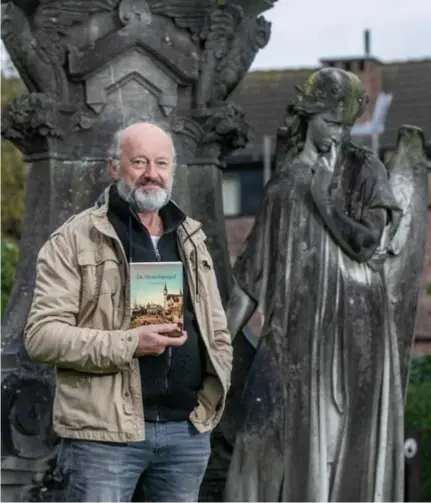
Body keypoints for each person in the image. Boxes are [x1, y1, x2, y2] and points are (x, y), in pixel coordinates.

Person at [24, 122, 233, 502]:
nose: (152, 173)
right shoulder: (74, 239)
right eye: (139, 161)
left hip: (185, 433)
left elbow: (216, 328)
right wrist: (129, 344)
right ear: (114, 167)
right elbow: (41, 337)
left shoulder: (190, 237)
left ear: (172, 171)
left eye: (161, 163)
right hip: (104, 439)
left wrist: (209, 397)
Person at [224, 68, 403, 502]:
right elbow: (252, 275)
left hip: (351, 336)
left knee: (337, 449)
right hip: (290, 336)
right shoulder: (282, 184)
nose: (339, 132)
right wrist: (218, 341)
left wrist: (324, 196)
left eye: (345, 123)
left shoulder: (364, 169)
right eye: (330, 120)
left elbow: (368, 241)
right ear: (308, 116)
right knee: (256, 441)